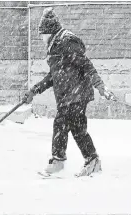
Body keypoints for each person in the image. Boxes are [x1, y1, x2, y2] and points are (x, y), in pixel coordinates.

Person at [23, 7, 116, 177]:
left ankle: (63, 161)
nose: (42, 38)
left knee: (64, 125)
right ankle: (88, 160)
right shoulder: (55, 47)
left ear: (50, 31)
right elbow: (53, 76)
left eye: (43, 34)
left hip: (76, 94)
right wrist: (35, 90)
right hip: (69, 95)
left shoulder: (66, 42)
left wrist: (100, 86)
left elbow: (86, 65)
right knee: (74, 128)